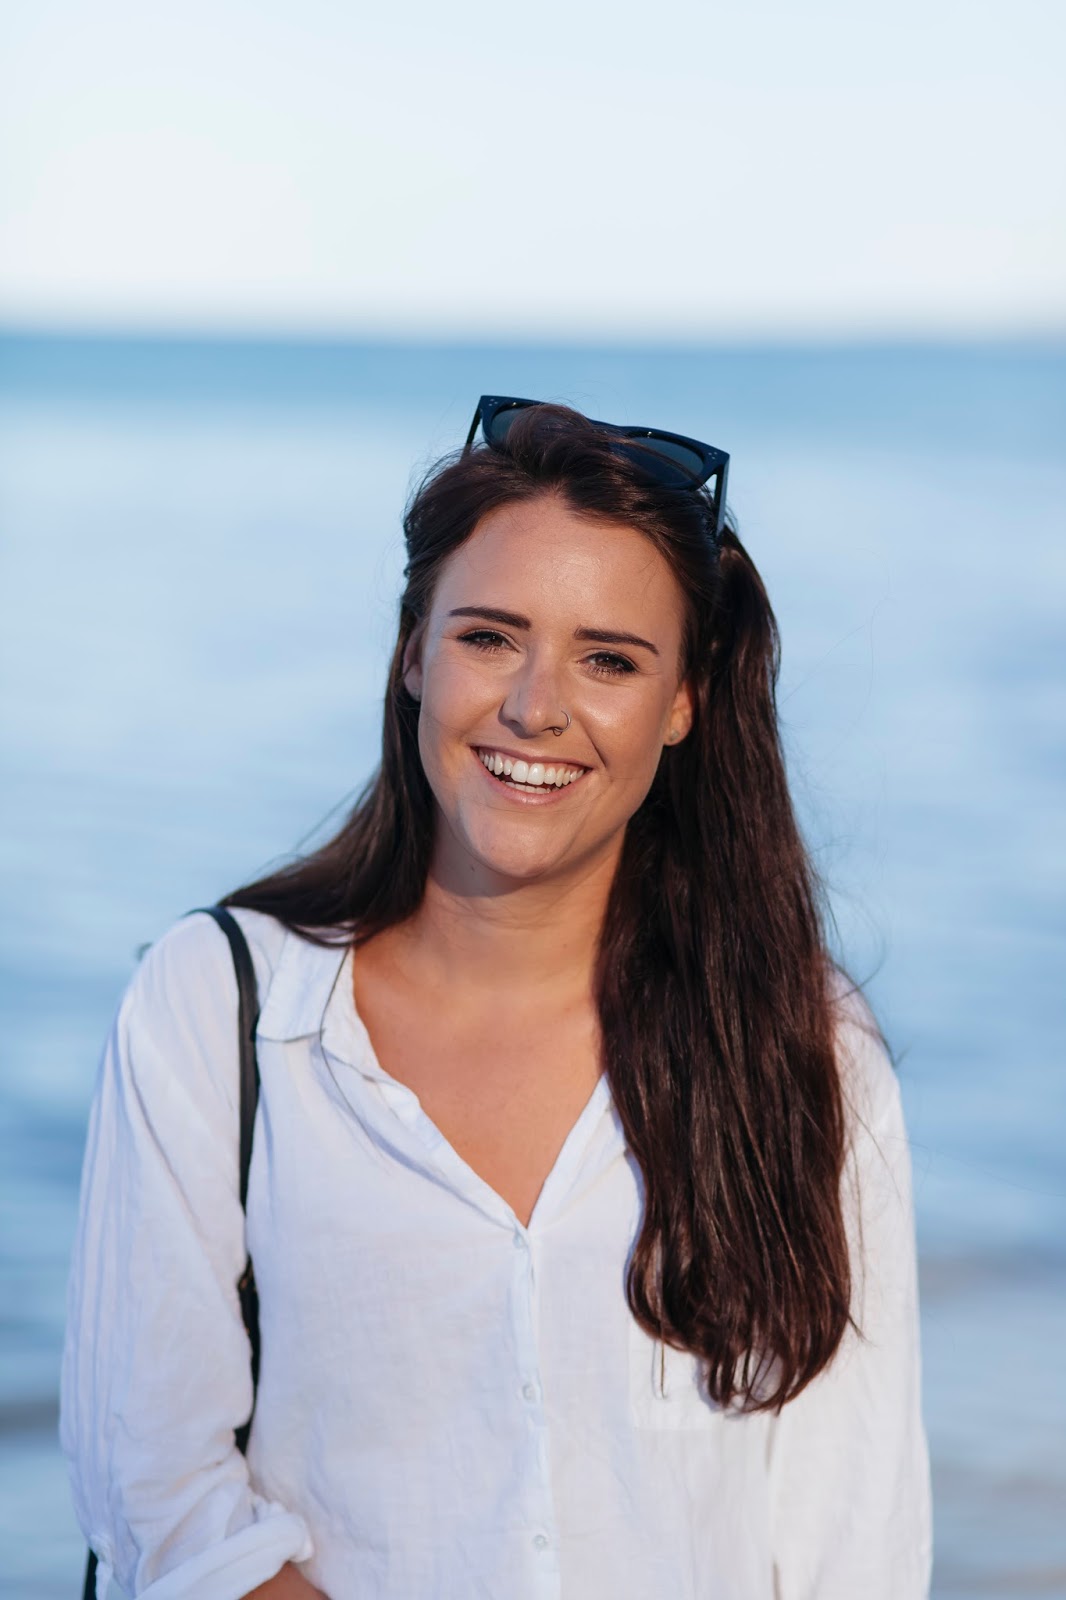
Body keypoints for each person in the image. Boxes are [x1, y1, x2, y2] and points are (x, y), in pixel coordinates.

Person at [61, 397, 932, 1599]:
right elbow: (157, 1485)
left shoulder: (804, 1044)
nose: (535, 706)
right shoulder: (220, 1004)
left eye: (609, 659)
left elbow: (851, 1539)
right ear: (413, 652)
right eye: (488, 637)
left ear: (684, 700)